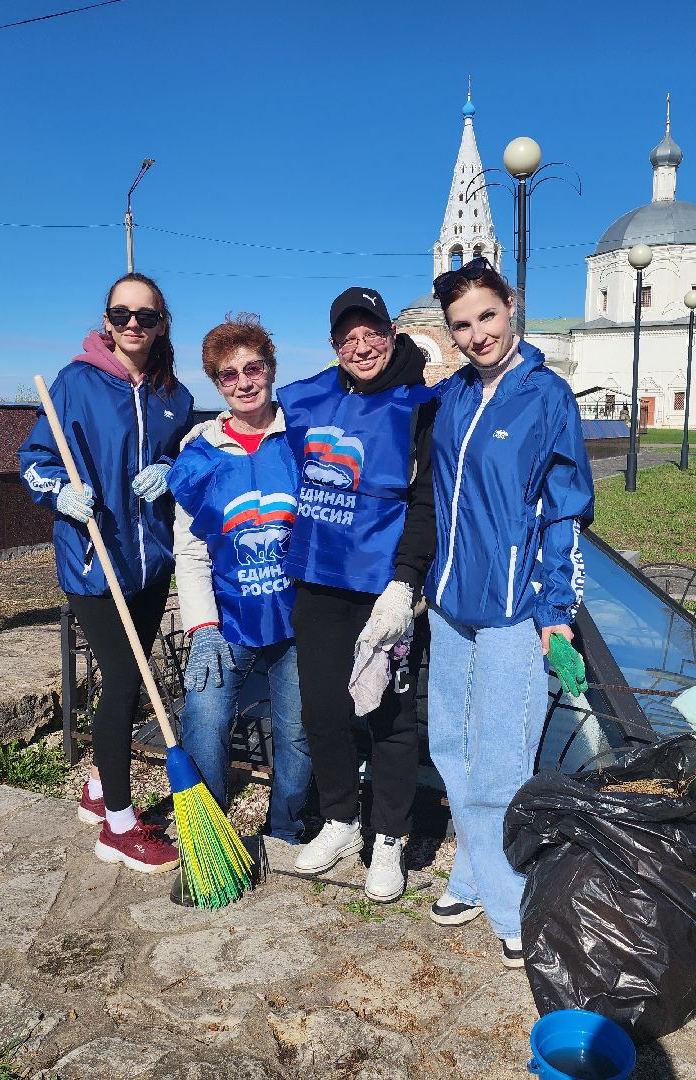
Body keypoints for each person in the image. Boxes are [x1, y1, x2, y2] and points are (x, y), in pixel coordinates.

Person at [423, 258, 594, 967]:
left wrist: (556, 607)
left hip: (512, 608)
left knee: (500, 763)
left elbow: (567, 510)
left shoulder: (547, 396)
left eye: (486, 316)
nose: (476, 334)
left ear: (512, 306)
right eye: (461, 325)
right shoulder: (453, 396)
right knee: (451, 752)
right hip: (449, 604)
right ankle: (474, 875)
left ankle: (509, 903)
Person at [19, 272, 194, 873]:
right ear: (107, 321)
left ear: (162, 322)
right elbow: (33, 462)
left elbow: (179, 459)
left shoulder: (176, 395)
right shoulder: (75, 384)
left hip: (150, 565)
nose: (133, 327)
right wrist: (60, 491)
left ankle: (98, 786)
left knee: (134, 677)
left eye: (146, 317)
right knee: (123, 682)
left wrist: (171, 471)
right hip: (95, 564)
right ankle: (117, 823)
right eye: (122, 315)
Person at [276, 287, 437, 902]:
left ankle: (389, 836)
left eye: (371, 332)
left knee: (390, 716)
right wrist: (201, 436)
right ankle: (341, 818)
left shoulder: (420, 403)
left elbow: (425, 502)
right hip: (319, 578)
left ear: (391, 335)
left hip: (382, 587)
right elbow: (257, 418)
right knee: (323, 707)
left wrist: (405, 581)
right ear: (334, 345)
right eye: (348, 336)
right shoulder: (318, 393)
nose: (361, 345)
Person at [168, 313, 309, 845]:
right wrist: (202, 626)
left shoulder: (300, 440)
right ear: (216, 383)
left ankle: (285, 828)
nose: (245, 382)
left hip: (296, 618)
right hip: (228, 618)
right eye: (229, 375)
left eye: (254, 368)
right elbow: (191, 548)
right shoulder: (199, 453)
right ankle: (207, 835)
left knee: (297, 731)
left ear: (271, 369)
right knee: (204, 718)